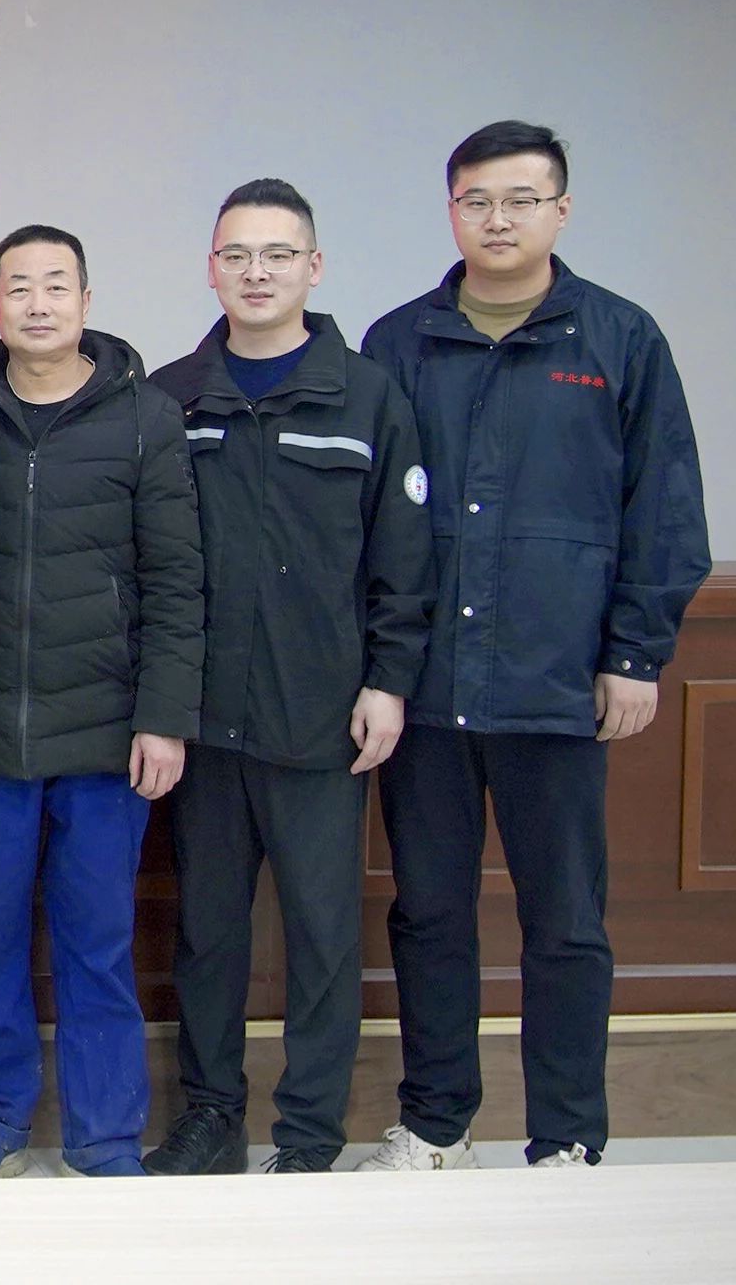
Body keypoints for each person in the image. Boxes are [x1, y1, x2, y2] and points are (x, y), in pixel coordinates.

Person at [359, 122, 709, 1172]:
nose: (497, 219)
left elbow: (665, 509)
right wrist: (376, 667)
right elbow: (365, 520)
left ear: (561, 209)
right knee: (428, 913)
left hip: (554, 684)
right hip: (423, 688)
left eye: (519, 199)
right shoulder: (399, 341)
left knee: (564, 921)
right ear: (450, 211)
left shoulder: (618, 339)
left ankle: (565, 1136)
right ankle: (435, 1123)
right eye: (475, 200)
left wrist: (634, 653)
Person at [144, 180, 430, 1177]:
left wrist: (388, 679)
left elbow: (404, 554)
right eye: (236, 255)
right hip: (203, 717)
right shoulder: (171, 396)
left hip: (322, 713)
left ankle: (308, 1133)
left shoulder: (367, 395)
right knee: (207, 935)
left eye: (276, 255)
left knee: (320, 936)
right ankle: (211, 1115)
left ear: (313, 267)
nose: (255, 273)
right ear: (210, 268)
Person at [0, 225, 204, 1180]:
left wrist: (164, 717)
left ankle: (103, 1135)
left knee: (97, 942)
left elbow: (177, 581)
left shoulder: (144, 417)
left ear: (88, 302)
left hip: (106, 736)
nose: (39, 303)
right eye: (19, 288)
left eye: (57, 285)